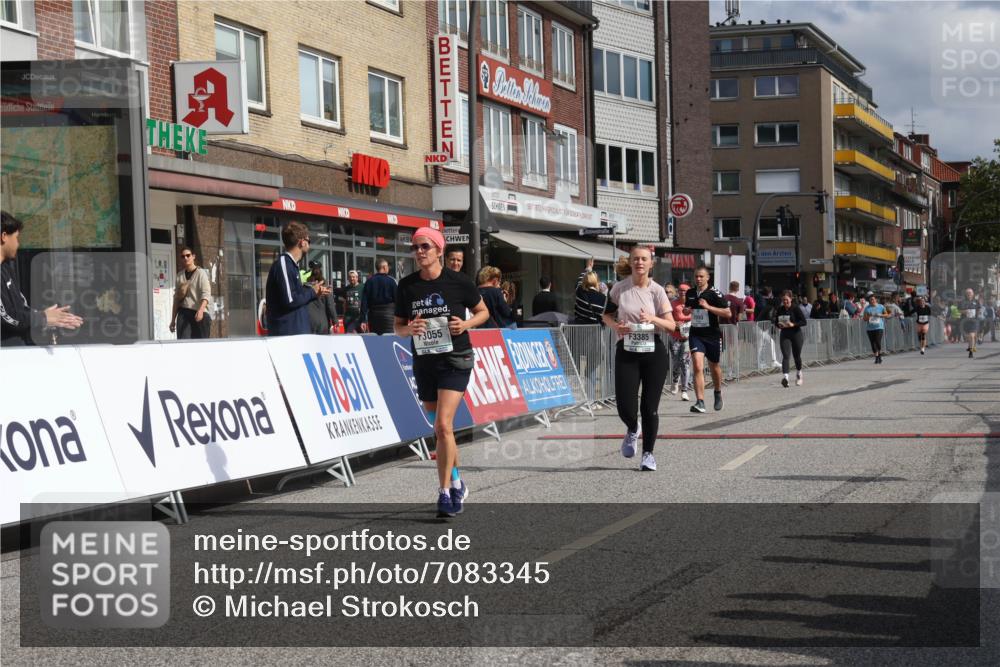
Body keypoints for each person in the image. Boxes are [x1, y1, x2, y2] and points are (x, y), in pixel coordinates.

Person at [394, 227, 489, 518]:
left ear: (439, 250)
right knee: (439, 428)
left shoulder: (459, 282)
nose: (419, 252)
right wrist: (409, 329)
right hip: (425, 362)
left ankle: (445, 493)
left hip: (456, 359)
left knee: (444, 426)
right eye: (415, 247)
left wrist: (465, 325)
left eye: (424, 246)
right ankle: (458, 481)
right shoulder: (407, 286)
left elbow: (483, 312)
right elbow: (397, 326)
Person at [602, 245, 676, 472]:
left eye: (644, 259)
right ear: (631, 262)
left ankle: (648, 455)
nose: (639, 263)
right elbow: (606, 315)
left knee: (649, 408)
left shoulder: (657, 291)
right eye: (636, 259)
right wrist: (616, 326)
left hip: (653, 352)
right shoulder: (619, 289)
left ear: (651, 263)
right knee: (625, 405)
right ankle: (633, 428)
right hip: (627, 350)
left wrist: (653, 318)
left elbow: (671, 325)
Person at [1, 211, 83, 346]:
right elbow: (8, 317)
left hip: (16, 351)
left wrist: (46, 317)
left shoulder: (5, 268)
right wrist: (43, 318)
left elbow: (21, 307)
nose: (18, 244)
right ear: (4, 236)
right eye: (16, 238)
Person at [265, 221, 330, 336]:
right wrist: (312, 292)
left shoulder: (292, 265)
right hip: (287, 336)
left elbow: (295, 297)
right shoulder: (284, 263)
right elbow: (290, 300)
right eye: (308, 241)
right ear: (302, 242)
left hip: (297, 335)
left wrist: (315, 293)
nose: (309, 244)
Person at [685, 266, 731, 413]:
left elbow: (727, 313)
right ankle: (700, 402)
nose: (698, 279)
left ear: (707, 278)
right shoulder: (691, 293)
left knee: (714, 366)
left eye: (701, 276)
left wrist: (709, 307)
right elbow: (689, 309)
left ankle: (717, 392)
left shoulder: (715, 293)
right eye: (696, 276)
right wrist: (687, 310)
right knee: (698, 366)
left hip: (712, 335)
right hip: (696, 334)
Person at [169, 246, 212, 339]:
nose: (185, 258)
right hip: (184, 313)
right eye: (183, 256)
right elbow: (176, 299)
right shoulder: (179, 276)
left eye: (188, 255)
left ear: (193, 256)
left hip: (200, 313)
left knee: (201, 346)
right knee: (184, 345)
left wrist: (201, 310)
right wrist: (173, 320)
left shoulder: (201, 273)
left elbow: (206, 294)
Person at [773, 290, 807, 387]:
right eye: (783, 300)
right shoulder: (780, 309)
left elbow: (804, 322)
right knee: (786, 356)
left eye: (786, 300)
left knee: (797, 356)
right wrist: (779, 325)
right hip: (785, 334)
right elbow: (776, 322)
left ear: (791, 299)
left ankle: (799, 374)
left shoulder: (796, 308)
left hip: (796, 334)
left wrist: (793, 324)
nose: (785, 302)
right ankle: (786, 378)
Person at [666, 283, 693, 401]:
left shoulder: (692, 304)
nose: (683, 292)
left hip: (687, 338)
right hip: (675, 337)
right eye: (681, 290)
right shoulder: (673, 304)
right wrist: (674, 323)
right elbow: (667, 318)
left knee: (685, 362)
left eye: (685, 290)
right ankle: (675, 381)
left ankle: (685, 390)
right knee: (676, 361)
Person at [360, 259, 398, 335]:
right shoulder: (391, 281)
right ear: (384, 267)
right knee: (389, 340)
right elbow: (398, 300)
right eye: (387, 266)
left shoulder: (369, 281)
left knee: (376, 340)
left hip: (373, 315)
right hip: (389, 315)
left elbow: (364, 302)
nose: (388, 268)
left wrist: (363, 320)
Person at [306, 263, 339, 335]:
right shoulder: (325, 287)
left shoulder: (306, 286)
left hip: (308, 321)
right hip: (322, 322)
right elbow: (330, 305)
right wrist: (335, 321)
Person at [863, 293, 891, 363]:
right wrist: (869, 316)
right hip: (870, 328)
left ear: (875, 300)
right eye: (870, 300)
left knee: (877, 342)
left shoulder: (881, 306)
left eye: (873, 299)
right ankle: (877, 356)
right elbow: (864, 319)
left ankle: (878, 356)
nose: (871, 301)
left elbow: (887, 315)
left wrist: (880, 315)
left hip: (879, 327)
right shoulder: (867, 308)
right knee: (873, 344)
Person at [958, 288, 979, 357]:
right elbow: (959, 310)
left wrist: (979, 314)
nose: (969, 294)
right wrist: (964, 311)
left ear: (973, 294)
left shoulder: (976, 301)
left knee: (972, 336)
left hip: (974, 321)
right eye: (968, 293)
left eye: (970, 293)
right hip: (965, 321)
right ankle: (971, 347)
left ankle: (971, 351)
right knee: (969, 337)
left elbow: (979, 309)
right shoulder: (962, 302)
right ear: (966, 294)